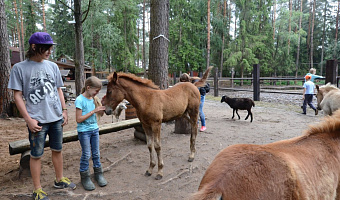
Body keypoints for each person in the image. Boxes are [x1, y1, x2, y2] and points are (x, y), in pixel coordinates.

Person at [8, 32, 76, 200]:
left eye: (50, 48)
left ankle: (59, 179)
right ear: (34, 47)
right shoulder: (19, 68)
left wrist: (64, 110)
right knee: (36, 155)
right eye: (46, 48)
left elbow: (59, 89)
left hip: (56, 118)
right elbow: (17, 96)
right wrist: (28, 119)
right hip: (37, 121)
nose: (49, 52)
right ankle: (37, 189)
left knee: (57, 150)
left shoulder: (52, 66)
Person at [75, 76, 107, 191]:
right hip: (84, 132)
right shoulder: (80, 100)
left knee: (96, 153)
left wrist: (102, 107)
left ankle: (99, 174)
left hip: (94, 130)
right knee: (86, 154)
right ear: (88, 88)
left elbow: (100, 115)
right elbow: (78, 119)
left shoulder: (94, 99)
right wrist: (93, 111)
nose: (97, 93)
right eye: (96, 91)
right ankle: (85, 177)